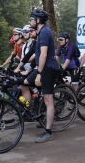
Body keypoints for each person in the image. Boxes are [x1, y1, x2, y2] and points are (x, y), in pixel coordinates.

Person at [22, 9, 60, 143]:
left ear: (38, 20)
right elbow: (36, 54)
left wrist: (39, 74)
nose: (29, 21)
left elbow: (43, 55)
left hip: (48, 68)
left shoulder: (44, 33)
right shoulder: (40, 33)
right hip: (42, 67)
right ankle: (32, 109)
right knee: (24, 84)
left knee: (48, 100)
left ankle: (48, 131)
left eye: (31, 19)